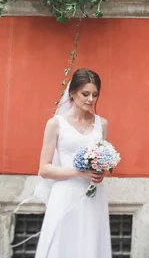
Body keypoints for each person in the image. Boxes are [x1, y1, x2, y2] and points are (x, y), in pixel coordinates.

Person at [35, 68, 112, 258]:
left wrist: (101, 171)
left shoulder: (102, 124)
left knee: (90, 244)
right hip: (65, 194)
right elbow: (44, 169)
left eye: (95, 94)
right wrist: (80, 172)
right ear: (72, 93)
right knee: (63, 244)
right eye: (85, 94)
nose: (90, 99)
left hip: (93, 195)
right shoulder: (55, 124)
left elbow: (104, 159)